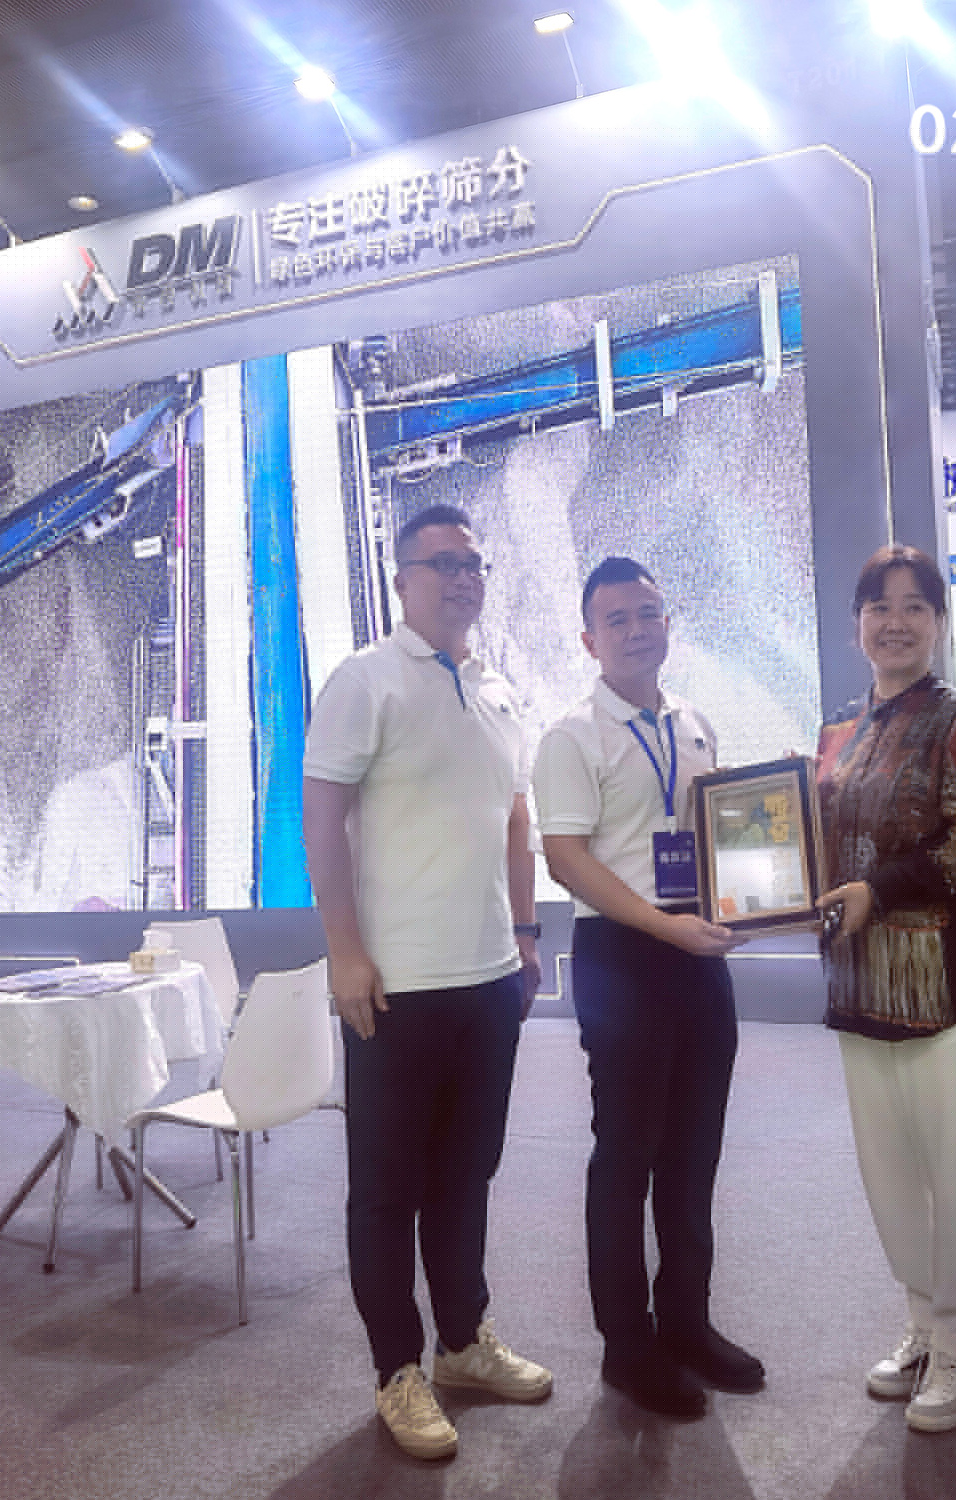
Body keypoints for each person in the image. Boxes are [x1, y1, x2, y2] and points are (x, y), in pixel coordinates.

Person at [300, 503, 552, 1461]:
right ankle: (396, 1371)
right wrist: (345, 951)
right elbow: (322, 820)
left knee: (466, 1173)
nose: (462, 578)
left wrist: (525, 933)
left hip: (489, 978)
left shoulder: (497, 691)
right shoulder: (366, 681)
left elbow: (515, 822)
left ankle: (461, 1342)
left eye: (473, 563)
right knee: (386, 1189)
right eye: (442, 563)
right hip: (396, 986)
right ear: (401, 578)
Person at [533, 557, 761, 1421]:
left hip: (698, 955)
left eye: (648, 613)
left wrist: (751, 897)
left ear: (669, 622)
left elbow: (715, 836)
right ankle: (627, 1346)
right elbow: (566, 860)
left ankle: (687, 1323)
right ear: (589, 639)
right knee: (626, 1155)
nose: (636, 631)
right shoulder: (572, 736)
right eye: (617, 620)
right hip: (622, 958)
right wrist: (667, 928)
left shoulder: (694, 723)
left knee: (695, 1152)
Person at [811, 544, 956, 1434]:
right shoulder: (836, 732)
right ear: (857, 622)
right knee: (890, 1177)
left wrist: (878, 890)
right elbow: (813, 846)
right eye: (878, 606)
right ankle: (923, 1327)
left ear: (936, 622)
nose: (895, 622)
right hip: (860, 986)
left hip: (948, 991)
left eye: (914, 607)